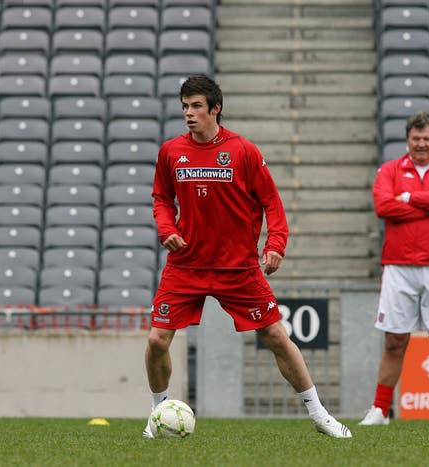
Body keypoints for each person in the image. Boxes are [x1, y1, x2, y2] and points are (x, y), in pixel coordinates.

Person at [143, 75, 351, 438]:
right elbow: (162, 198)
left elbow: (272, 202)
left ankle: (319, 414)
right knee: (157, 341)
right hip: (186, 265)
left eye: (195, 107)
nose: (189, 114)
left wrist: (276, 244)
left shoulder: (243, 151)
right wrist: (167, 229)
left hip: (237, 268)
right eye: (185, 107)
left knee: (274, 334)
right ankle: (159, 412)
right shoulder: (171, 151)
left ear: (215, 109)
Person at [359, 111, 429, 426]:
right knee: (395, 339)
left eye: (427, 139)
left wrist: (407, 199)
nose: (421, 144)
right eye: (416, 138)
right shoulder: (390, 170)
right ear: (407, 140)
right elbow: (383, 206)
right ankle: (380, 410)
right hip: (399, 265)